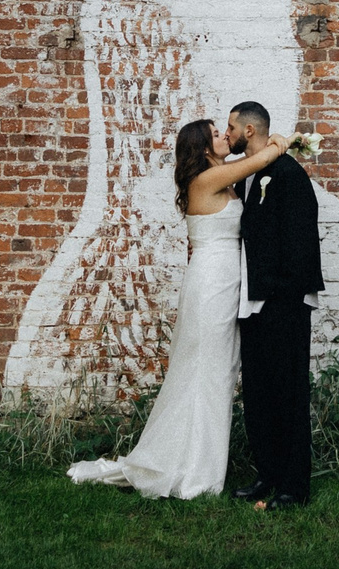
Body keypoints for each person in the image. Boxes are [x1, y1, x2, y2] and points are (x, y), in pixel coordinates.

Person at [67, 117, 291, 498]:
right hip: (211, 286)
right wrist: (280, 144)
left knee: (216, 373)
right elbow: (256, 162)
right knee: (207, 371)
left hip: (225, 282)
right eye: (218, 134)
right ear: (204, 148)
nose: (226, 135)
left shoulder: (221, 177)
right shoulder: (205, 180)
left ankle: (196, 461)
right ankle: (194, 473)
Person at [227, 100, 323, 509]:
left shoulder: (287, 173)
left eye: (231, 127)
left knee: (288, 393)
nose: (227, 134)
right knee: (260, 394)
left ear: (249, 130)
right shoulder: (246, 178)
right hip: (253, 304)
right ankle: (267, 473)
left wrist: (283, 300)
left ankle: (293, 486)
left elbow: (301, 241)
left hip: (283, 305)